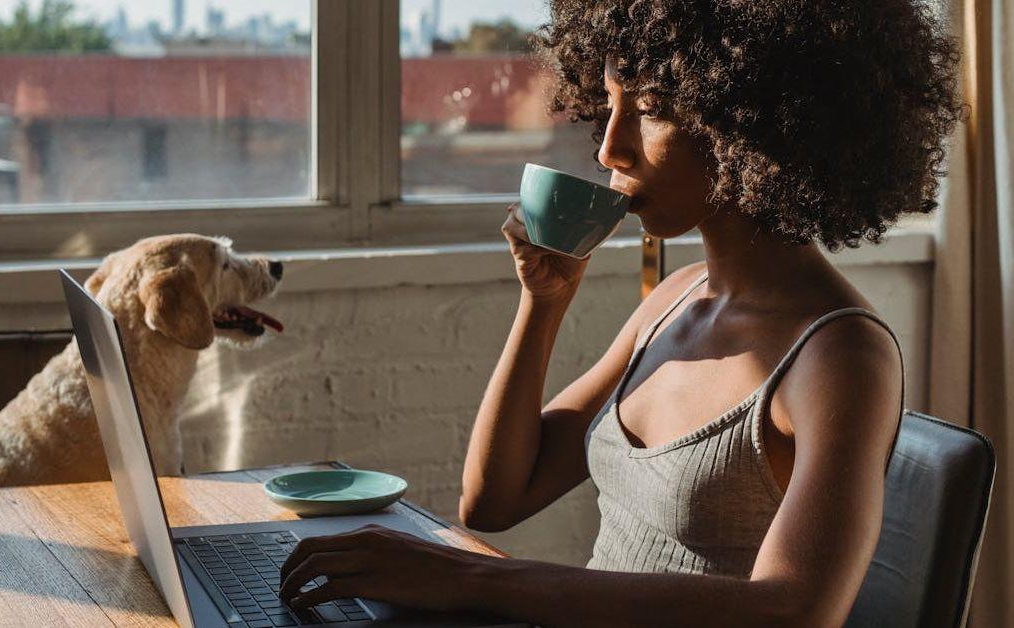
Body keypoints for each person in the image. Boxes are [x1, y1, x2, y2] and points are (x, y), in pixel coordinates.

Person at [278, 1, 963, 625]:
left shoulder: (841, 356)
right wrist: (543, 306)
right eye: (608, 102)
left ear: (759, 121)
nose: (609, 147)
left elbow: (795, 612)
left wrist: (475, 579)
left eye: (652, 107)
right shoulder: (671, 302)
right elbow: (494, 500)